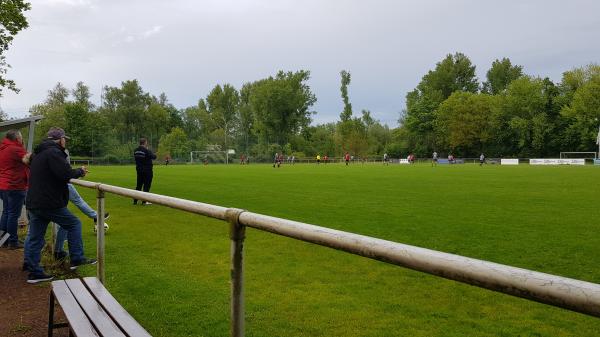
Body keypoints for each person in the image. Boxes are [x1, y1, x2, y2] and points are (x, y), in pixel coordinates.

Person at [24, 127, 95, 283]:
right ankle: (77, 257)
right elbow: (65, 173)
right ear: (60, 139)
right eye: (65, 139)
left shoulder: (39, 153)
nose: (66, 142)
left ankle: (33, 271)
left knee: (35, 237)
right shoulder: (54, 153)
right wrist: (81, 171)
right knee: (74, 223)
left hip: (34, 201)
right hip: (48, 202)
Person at [0, 130, 31, 249]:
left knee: (6, 212)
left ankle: (3, 240)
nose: (22, 140)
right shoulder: (16, 149)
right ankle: (13, 241)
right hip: (15, 186)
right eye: (21, 137)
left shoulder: (3, 148)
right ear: (17, 138)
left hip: (3, 185)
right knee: (13, 214)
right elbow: (29, 159)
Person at [133, 138, 156, 205]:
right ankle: (144, 201)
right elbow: (154, 157)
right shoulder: (146, 150)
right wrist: (149, 150)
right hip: (147, 170)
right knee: (146, 185)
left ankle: (135, 200)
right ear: (145, 143)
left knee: (138, 185)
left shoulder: (135, 151)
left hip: (139, 170)